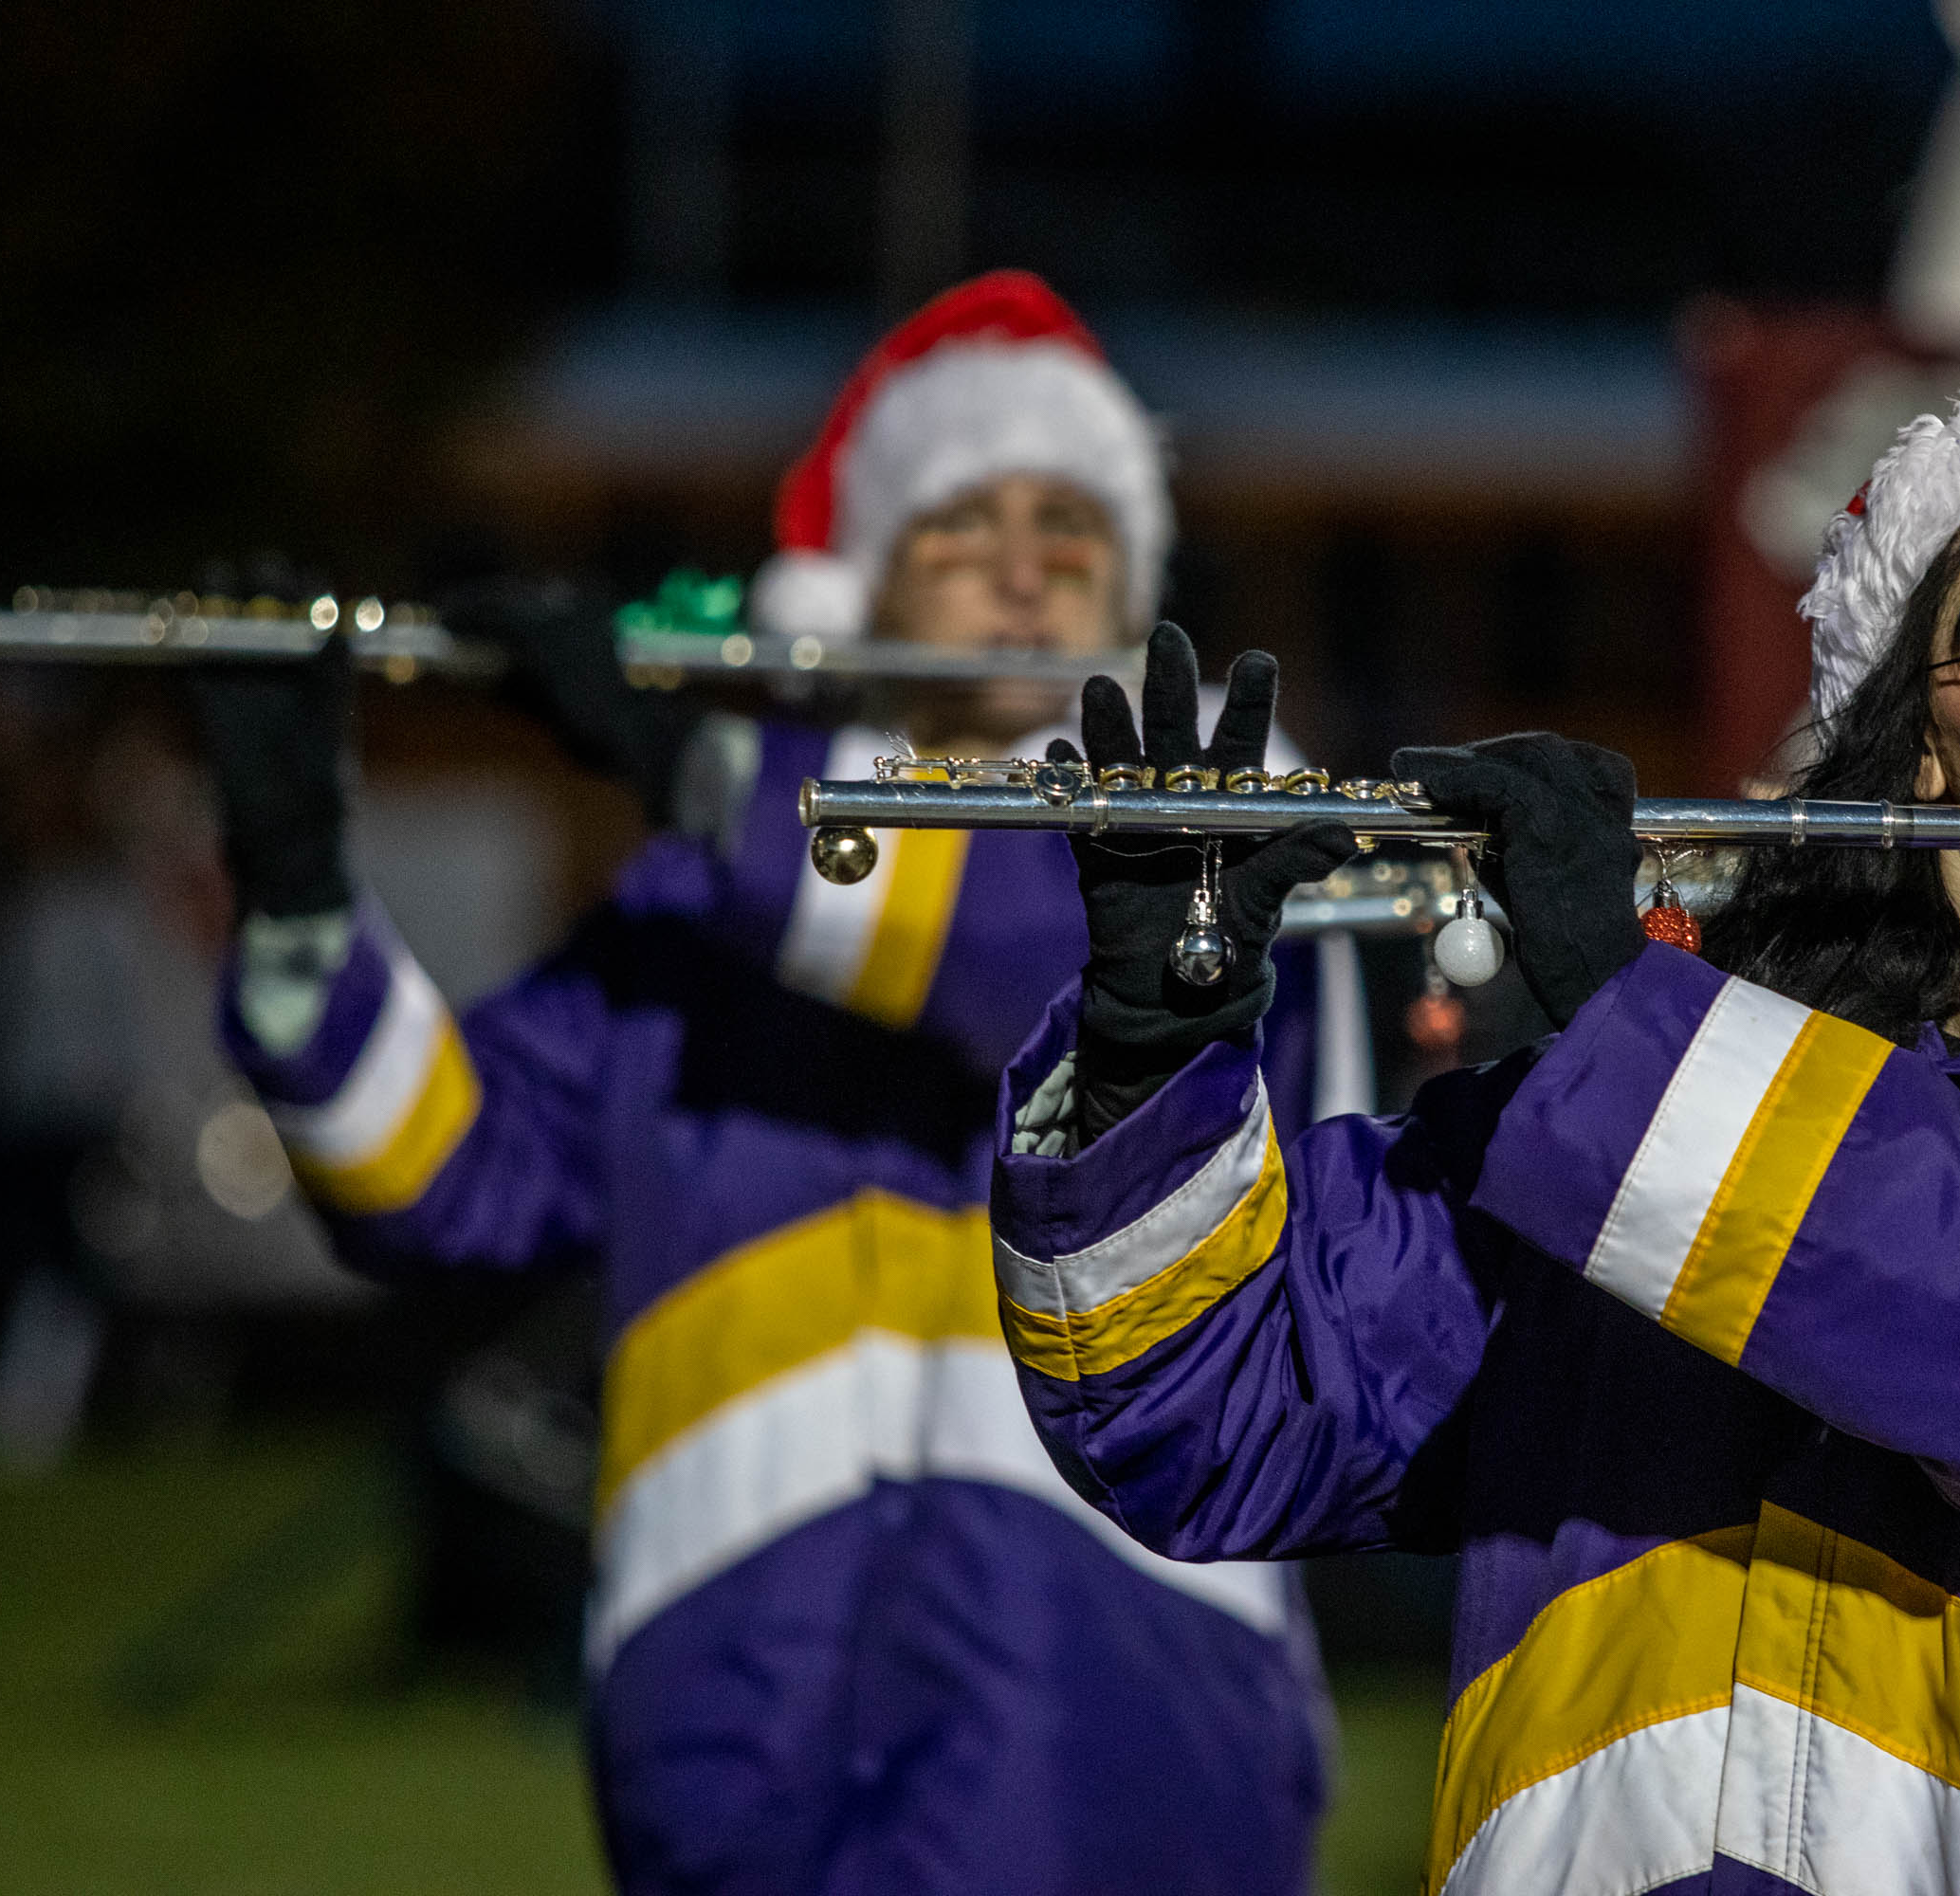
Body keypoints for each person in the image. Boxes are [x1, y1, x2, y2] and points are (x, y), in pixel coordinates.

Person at [987, 363, 1960, 1894]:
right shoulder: (1640, 1122)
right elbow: (1219, 1411)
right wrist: (1154, 1036)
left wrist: (1615, 1007)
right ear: (1914, 731)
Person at [194, 271, 1347, 1893]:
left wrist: (691, 763)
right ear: (857, 582)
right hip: (734, 1726)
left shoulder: (1247, 849)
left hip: (1119, 1714)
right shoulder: (709, 893)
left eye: (1073, 530)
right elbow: (434, 1182)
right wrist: (301, 881)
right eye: (961, 529)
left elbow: (1026, 936)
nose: (1024, 564)